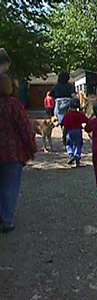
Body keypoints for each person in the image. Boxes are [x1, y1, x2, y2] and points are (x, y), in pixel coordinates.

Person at [0, 74, 37, 233]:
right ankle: (7, 221)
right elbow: (25, 129)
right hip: (12, 154)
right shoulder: (14, 104)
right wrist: (31, 148)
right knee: (10, 188)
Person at [62, 98, 88, 167]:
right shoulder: (80, 114)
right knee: (78, 144)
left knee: (69, 144)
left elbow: (64, 124)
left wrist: (64, 135)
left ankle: (71, 154)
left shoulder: (67, 115)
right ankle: (77, 156)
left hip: (69, 131)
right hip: (78, 131)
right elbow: (86, 121)